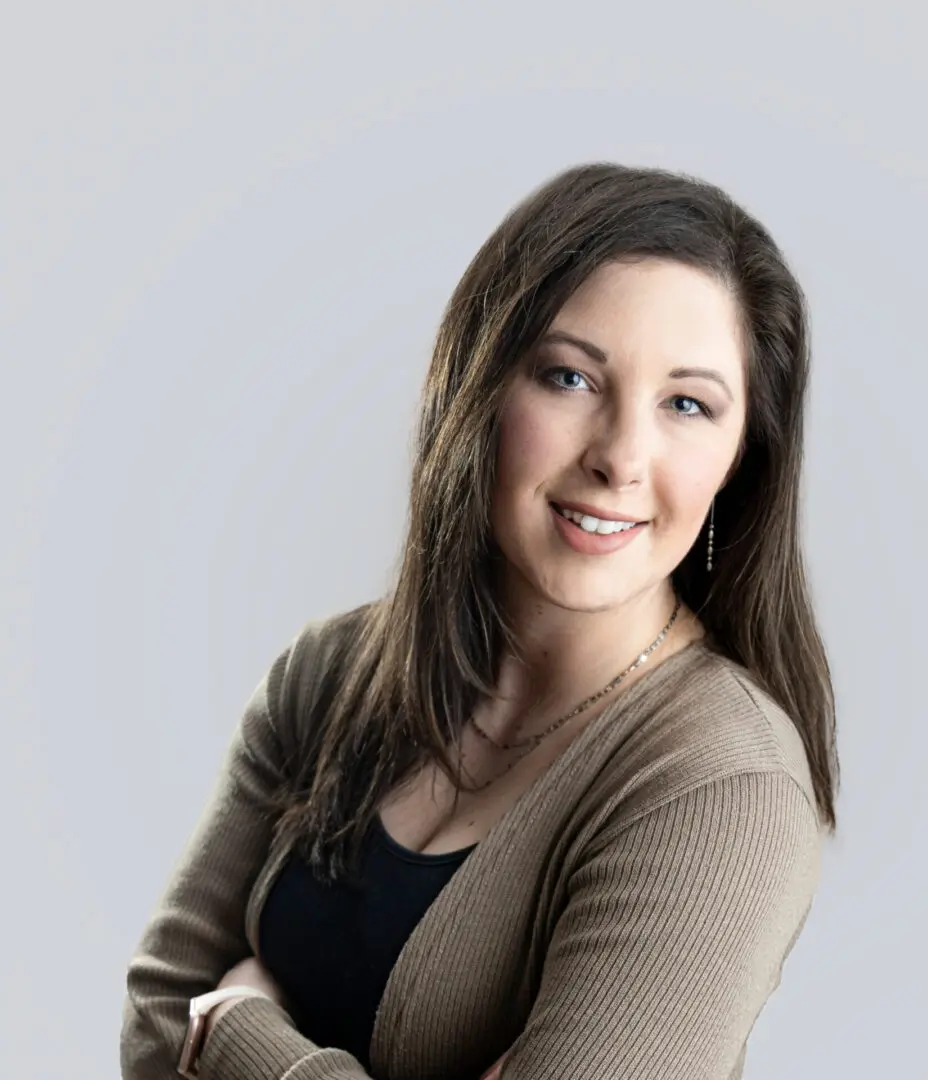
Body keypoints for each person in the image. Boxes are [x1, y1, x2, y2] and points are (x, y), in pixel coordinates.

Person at [120, 161, 840, 1080]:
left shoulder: (719, 785)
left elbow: (191, 1022)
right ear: (483, 384)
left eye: (687, 405)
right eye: (572, 378)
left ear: (741, 460)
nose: (621, 457)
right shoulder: (330, 672)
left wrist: (240, 1036)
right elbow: (154, 1013)